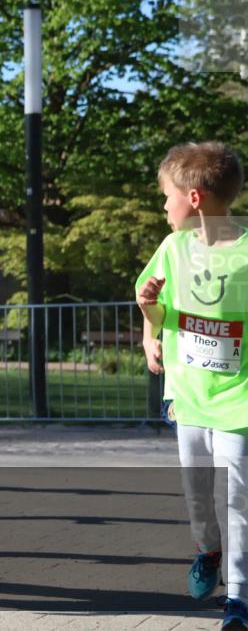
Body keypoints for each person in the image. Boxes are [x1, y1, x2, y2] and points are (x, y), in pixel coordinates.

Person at [136, 141, 247, 630]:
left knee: (238, 498)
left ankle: (239, 600)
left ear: (195, 197)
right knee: (198, 494)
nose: (163, 205)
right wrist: (148, 322)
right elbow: (157, 310)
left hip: (239, 400)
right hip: (188, 397)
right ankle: (208, 550)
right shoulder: (173, 248)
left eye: (167, 195)